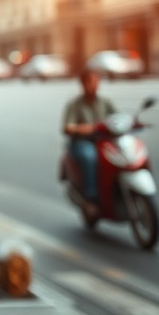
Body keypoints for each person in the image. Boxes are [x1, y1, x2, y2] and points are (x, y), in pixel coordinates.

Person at [61, 68, 115, 213]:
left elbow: (117, 118)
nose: (93, 85)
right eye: (89, 82)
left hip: (104, 141)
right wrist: (83, 129)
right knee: (89, 157)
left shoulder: (105, 101)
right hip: (82, 143)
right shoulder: (75, 104)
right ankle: (90, 197)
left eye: (95, 81)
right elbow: (66, 127)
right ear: (82, 84)